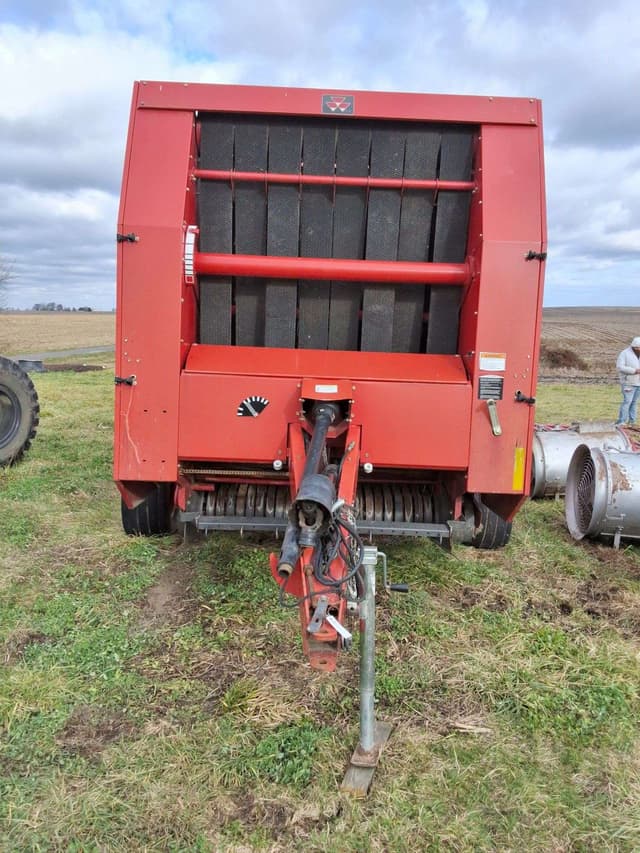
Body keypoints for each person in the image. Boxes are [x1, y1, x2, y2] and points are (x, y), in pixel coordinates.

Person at [615, 336, 640, 425]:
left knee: (634, 402)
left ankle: (632, 421)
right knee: (627, 401)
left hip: (638, 383)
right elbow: (620, 367)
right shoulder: (624, 353)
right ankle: (622, 421)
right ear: (635, 347)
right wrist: (634, 371)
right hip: (628, 382)